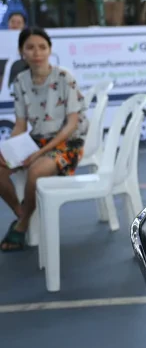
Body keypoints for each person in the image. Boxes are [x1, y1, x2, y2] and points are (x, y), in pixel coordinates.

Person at [0, 28, 89, 251]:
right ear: (22, 52)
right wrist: (10, 151)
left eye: (42, 47)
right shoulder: (20, 81)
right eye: (30, 47)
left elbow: (71, 125)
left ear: (50, 50)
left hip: (69, 142)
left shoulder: (64, 77)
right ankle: (22, 213)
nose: (37, 52)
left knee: (36, 171)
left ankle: (21, 226)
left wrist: (38, 154)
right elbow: (20, 124)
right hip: (37, 140)